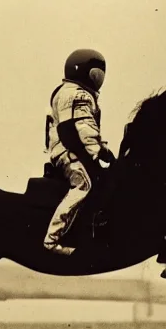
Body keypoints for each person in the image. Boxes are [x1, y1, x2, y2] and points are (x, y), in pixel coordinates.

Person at [43, 48, 117, 256]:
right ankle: (52, 240)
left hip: (67, 150)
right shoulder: (77, 94)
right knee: (84, 184)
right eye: (97, 73)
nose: (99, 78)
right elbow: (82, 128)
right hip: (68, 152)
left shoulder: (69, 92)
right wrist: (98, 152)